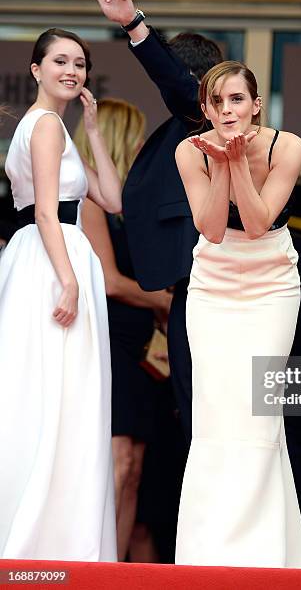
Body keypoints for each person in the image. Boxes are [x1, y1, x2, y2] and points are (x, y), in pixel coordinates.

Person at [174, 60, 301, 567]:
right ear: (205, 108)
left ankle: (261, 552)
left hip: (272, 280)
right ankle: (206, 552)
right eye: (217, 102)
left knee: (258, 411)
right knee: (213, 411)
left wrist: (234, 163)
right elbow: (211, 229)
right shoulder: (188, 151)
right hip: (213, 283)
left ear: (256, 104)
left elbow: (256, 223)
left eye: (237, 100)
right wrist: (221, 164)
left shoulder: (286, 146)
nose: (227, 110)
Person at [0, 28, 121, 560]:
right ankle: (45, 540)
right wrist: (69, 279)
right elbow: (48, 211)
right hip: (52, 261)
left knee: (51, 396)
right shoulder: (45, 124)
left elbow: (113, 199)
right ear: (36, 69)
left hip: (44, 257)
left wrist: (93, 128)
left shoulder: (57, 128)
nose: (71, 70)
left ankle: (50, 534)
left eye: (79, 63)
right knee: (56, 396)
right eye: (59, 61)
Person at [94, 0, 223, 443]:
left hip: (209, 288)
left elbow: (174, 81)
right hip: (191, 289)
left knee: (203, 419)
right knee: (193, 417)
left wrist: (133, 23)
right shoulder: (182, 131)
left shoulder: (202, 115)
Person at [74, 98, 172, 561]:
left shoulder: (128, 204)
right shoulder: (88, 198)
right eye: (137, 138)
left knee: (133, 467)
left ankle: (114, 567)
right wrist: (169, 302)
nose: (141, 147)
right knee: (117, 462)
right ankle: (97, 565)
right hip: (110, 343)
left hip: (139, 349)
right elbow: (110, 282)